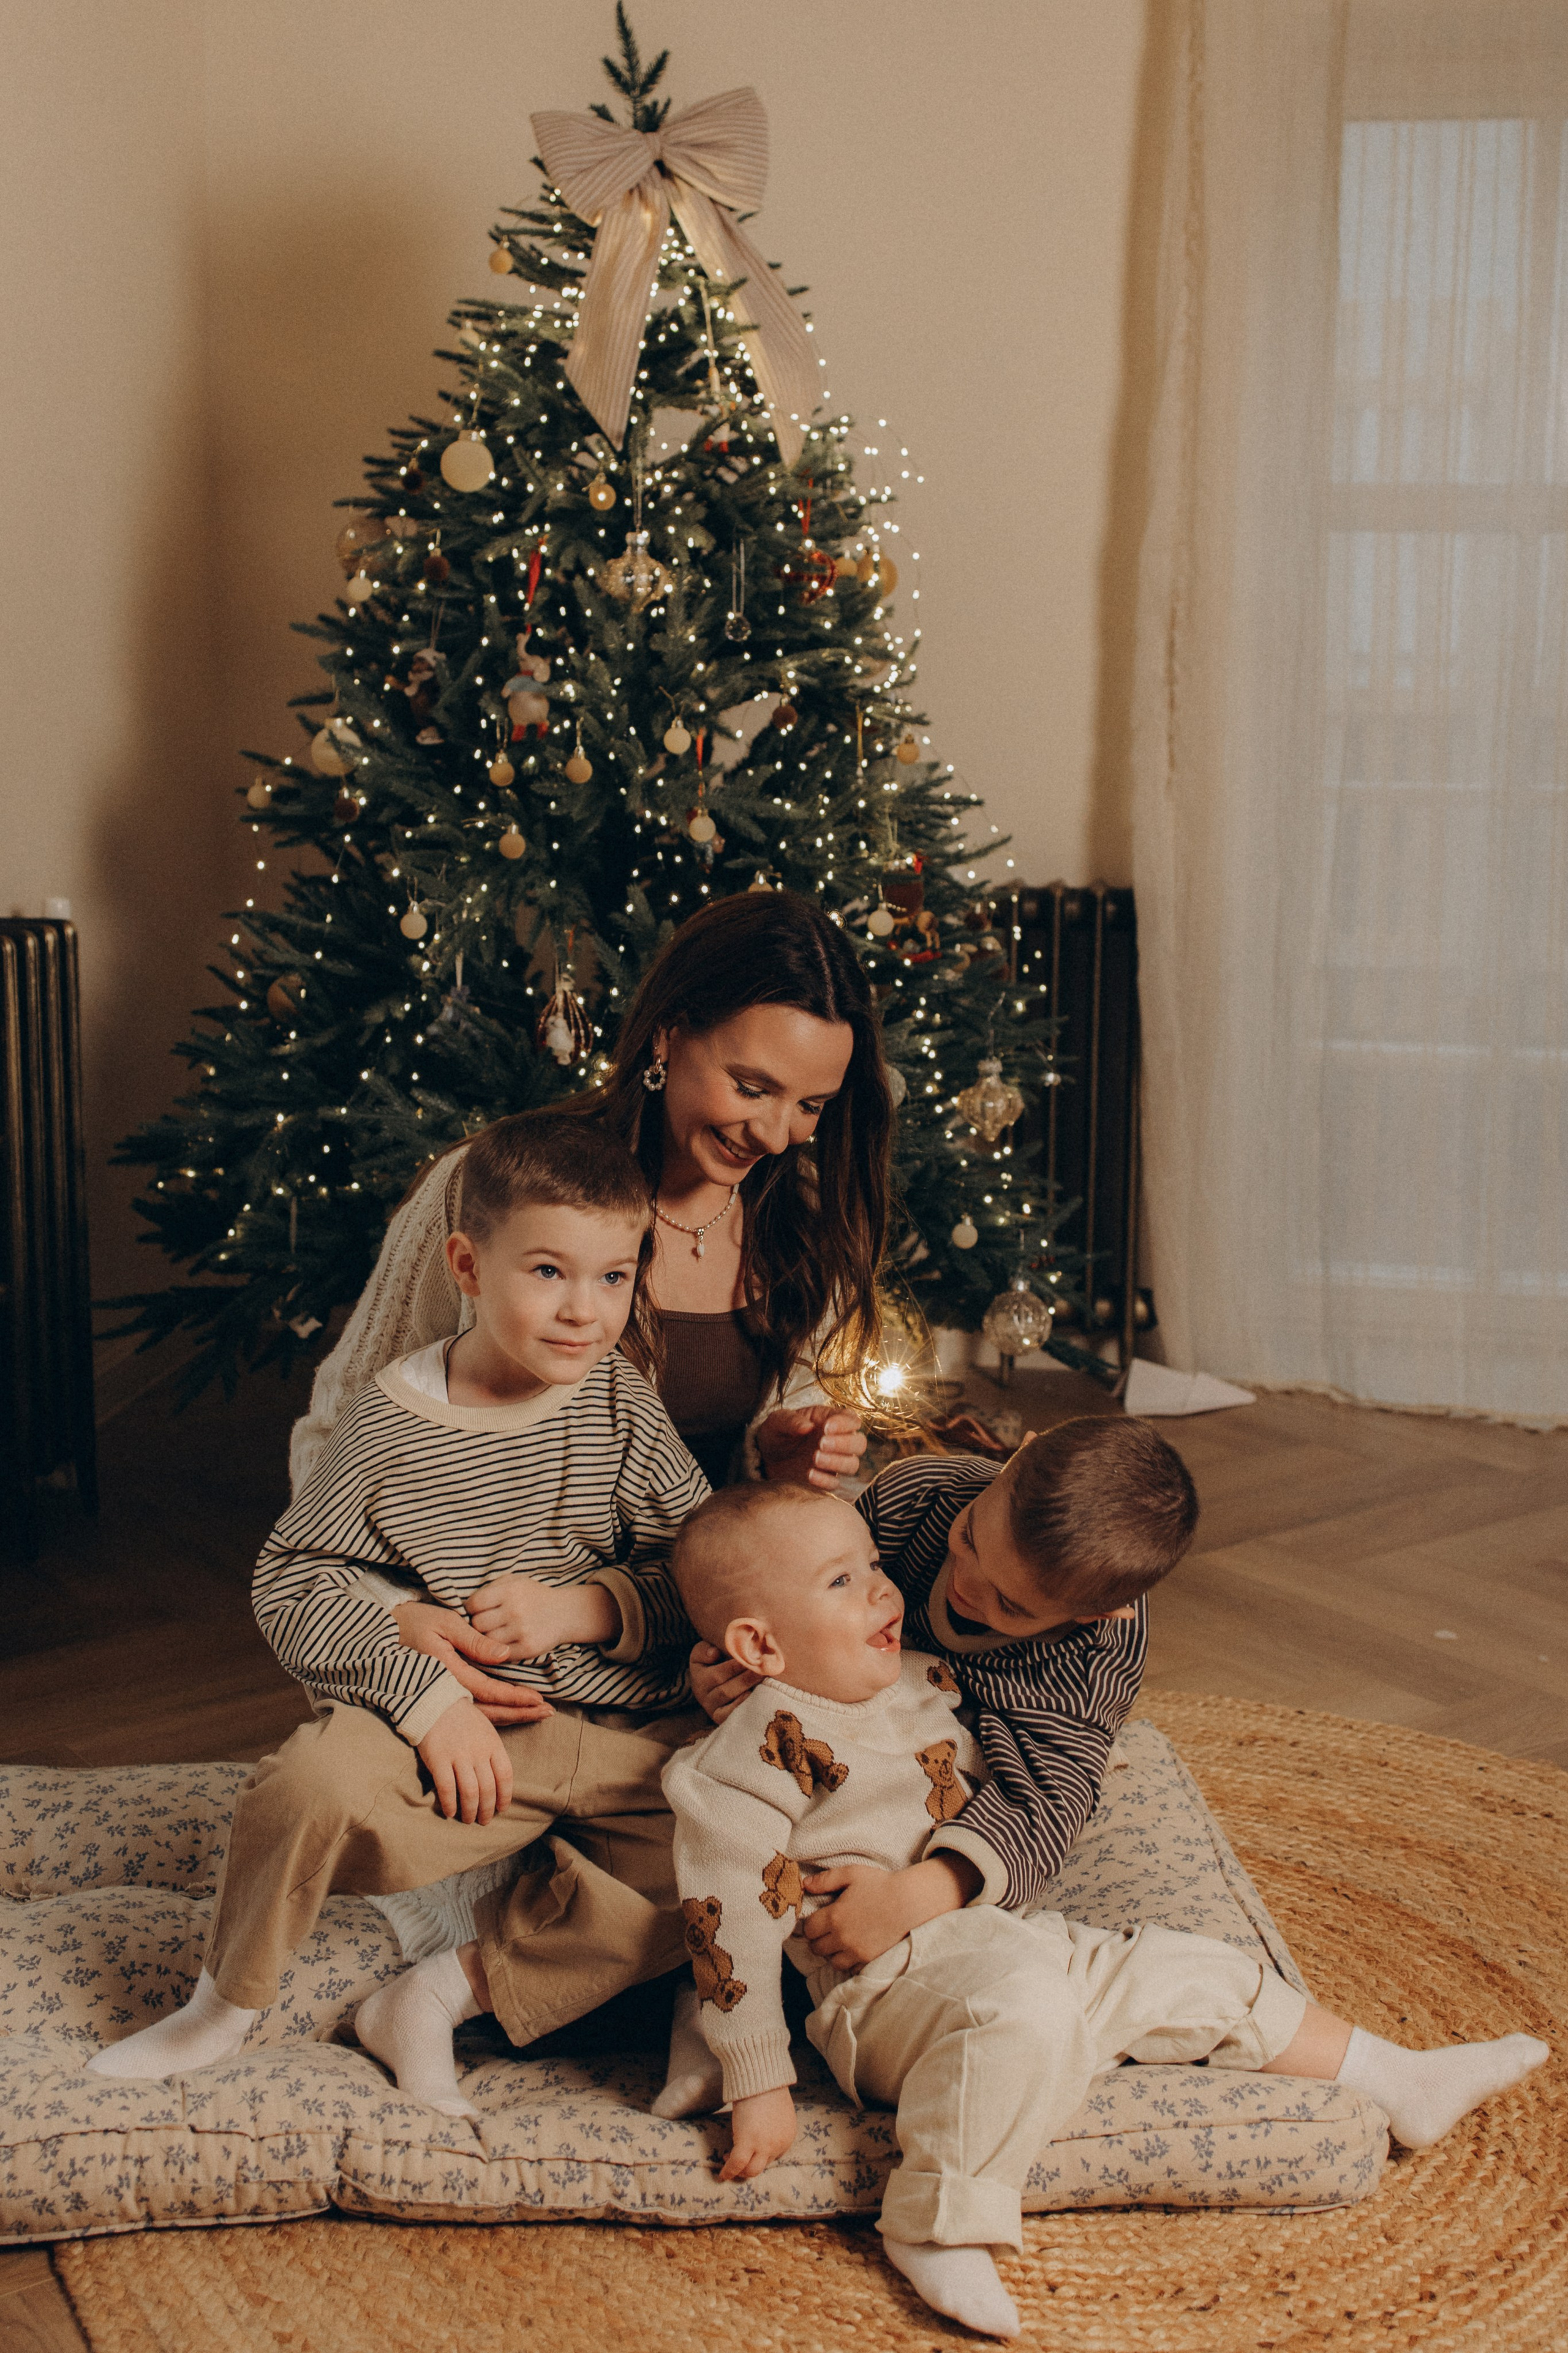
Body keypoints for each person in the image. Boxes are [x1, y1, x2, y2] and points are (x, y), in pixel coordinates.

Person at [663, 1482, 1550, 2340]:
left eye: (873, 1562)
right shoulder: (747, 1754)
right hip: (883, 1994)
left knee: (1185, 1966)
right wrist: (757, 2082)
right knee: (1027, 2010)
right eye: (842, 1580)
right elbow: (722, 1917)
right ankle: (937, 2225)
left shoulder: (924, 1679)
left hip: (1002, 1940)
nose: (887, 1586)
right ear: (762, 1646)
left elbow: (1042, 1772)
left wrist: (1091, 1615)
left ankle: (1397, 2078)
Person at [88, 1113, 710, 2112]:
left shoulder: (622, 1406)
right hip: (478, 1748)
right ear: (467, 1264)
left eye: (614, 1277)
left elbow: (708, 1570)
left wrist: (584, 1610)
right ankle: (222, 2005)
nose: (584, 1312)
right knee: (307, 1783)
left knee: (747, 1837)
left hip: (632, 1738)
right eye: (547, 1271)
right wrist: (426, 1700)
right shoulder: (391, 1422)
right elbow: (294, 1578)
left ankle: (440, 1998)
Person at [656, 1414, 1196, 2119]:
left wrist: (923, 1891)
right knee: (712, 1825)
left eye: (1009, 1603)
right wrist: (732, 1675)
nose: (969, 1585)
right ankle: (706, 2005)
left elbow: (1047, 1802)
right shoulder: (920, 1492)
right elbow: (797, 1591)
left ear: (1101, 1614)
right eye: (971, 1537)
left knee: (933, 1854)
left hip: (978, 1738)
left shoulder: (1093, 1660)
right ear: (1014, 1456)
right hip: (845, 1703)